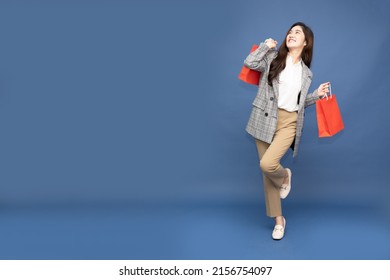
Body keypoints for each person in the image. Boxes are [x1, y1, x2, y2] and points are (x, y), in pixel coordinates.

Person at [243, 22, 329, 240]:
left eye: (297, 33)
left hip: (289, 122)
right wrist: (264, 46)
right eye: (290, 32)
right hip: (264, 118)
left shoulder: (306, 74)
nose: (291, 35)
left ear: (306, 42)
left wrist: (316, 95)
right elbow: (249, 62)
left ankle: (284, 177)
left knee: (268, 164)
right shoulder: (273, 58)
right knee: (266, 174)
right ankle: (279, 220)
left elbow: (298, 104)